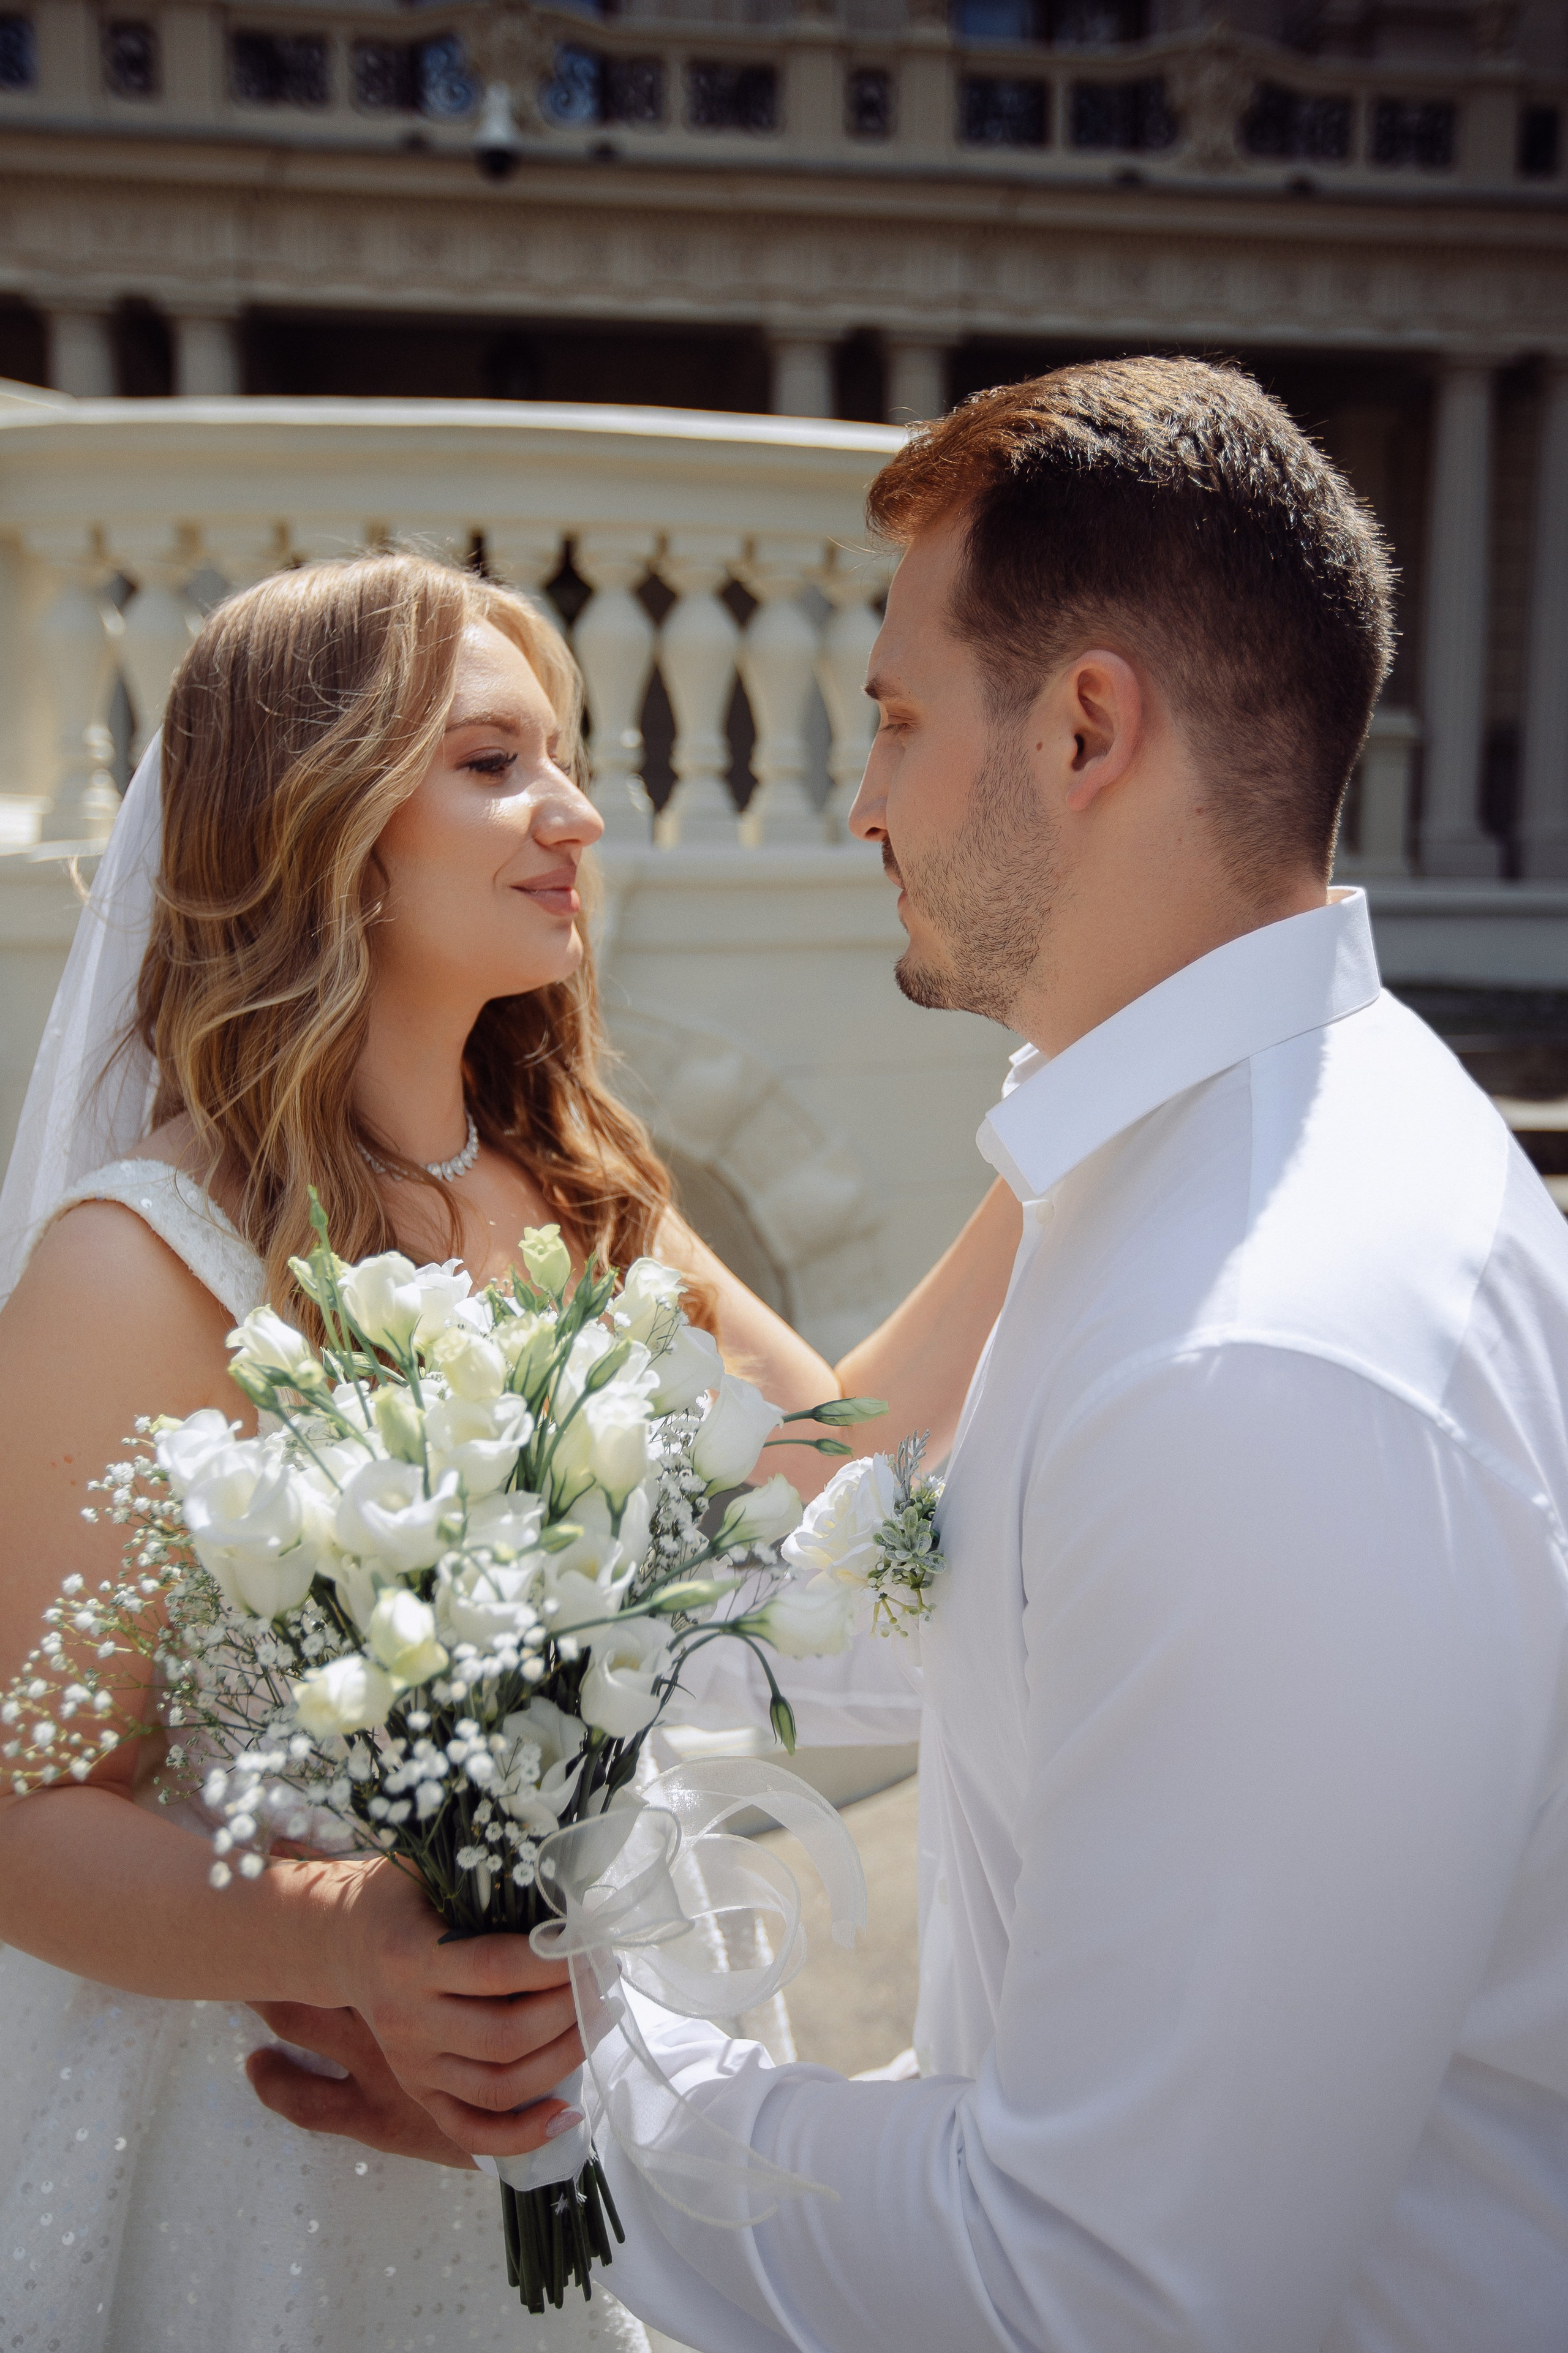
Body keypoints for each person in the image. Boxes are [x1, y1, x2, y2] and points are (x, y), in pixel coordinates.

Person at [297, 358, 1568, 2348]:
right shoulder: (1156, 1177)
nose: (865, 795)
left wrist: (575, 2111)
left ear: (1086, 730)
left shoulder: (1260, 1356)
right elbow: (989, 1645)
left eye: (895, 718)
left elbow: (1109, 2283)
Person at [0, 550, 1018, 2353]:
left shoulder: (568, 1183)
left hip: (561, 2092)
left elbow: (827, 1458)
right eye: (490, 763)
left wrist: (1060, 1145)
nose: (573, 813)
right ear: (317, 815)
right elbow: (25, 1820)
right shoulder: (136, 1260)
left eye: (562, 758)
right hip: (263, 2136)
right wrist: (352, 1937)